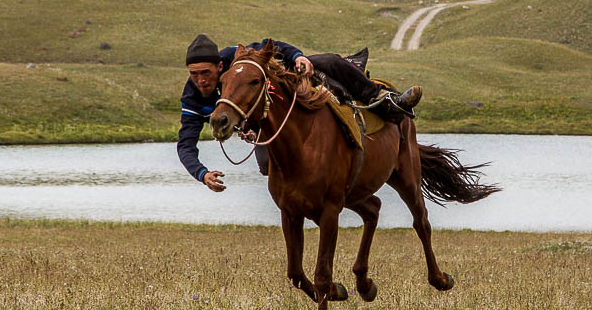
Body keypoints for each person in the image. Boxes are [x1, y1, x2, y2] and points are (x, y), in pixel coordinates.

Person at [177, 34, 421, 192]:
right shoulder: (192, 96)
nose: (200, 80)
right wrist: (202, 173)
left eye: (205, 73)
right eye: (193, 74)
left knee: (330, 61)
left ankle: (382, 99)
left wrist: (298, 57)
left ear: (220, 65)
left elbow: (274, 45)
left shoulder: (234, 57)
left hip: (280, 86)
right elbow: (185, 145)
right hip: (263, 120)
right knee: (265, 166)